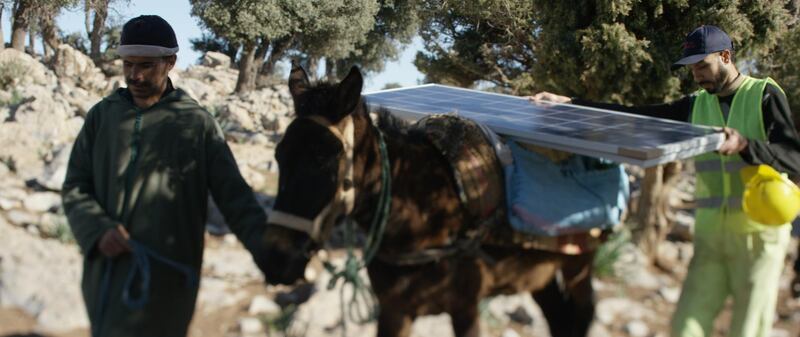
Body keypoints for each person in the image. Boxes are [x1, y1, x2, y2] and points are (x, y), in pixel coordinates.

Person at [531, 25, 800, 337]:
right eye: (692, 70)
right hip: (711, 234)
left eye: (702, 66)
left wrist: (745, 145)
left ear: (726, 56)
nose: (697, 76)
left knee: (748, 328)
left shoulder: (764, 94)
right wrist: (570, 105)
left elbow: (793, 157)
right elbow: (635, 118)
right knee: (685, 325)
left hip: (760, 236)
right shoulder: (695, 104)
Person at [61, 15, 270, 337]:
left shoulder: (196, 123)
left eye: (146, 65)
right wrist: (97, 228)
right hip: (107, 274)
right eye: (128, 64)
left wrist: (269, 249)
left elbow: (235, 197)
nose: (135, 75)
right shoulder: (102, 117)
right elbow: (76, 185)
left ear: (170, 62)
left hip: (169, 280)